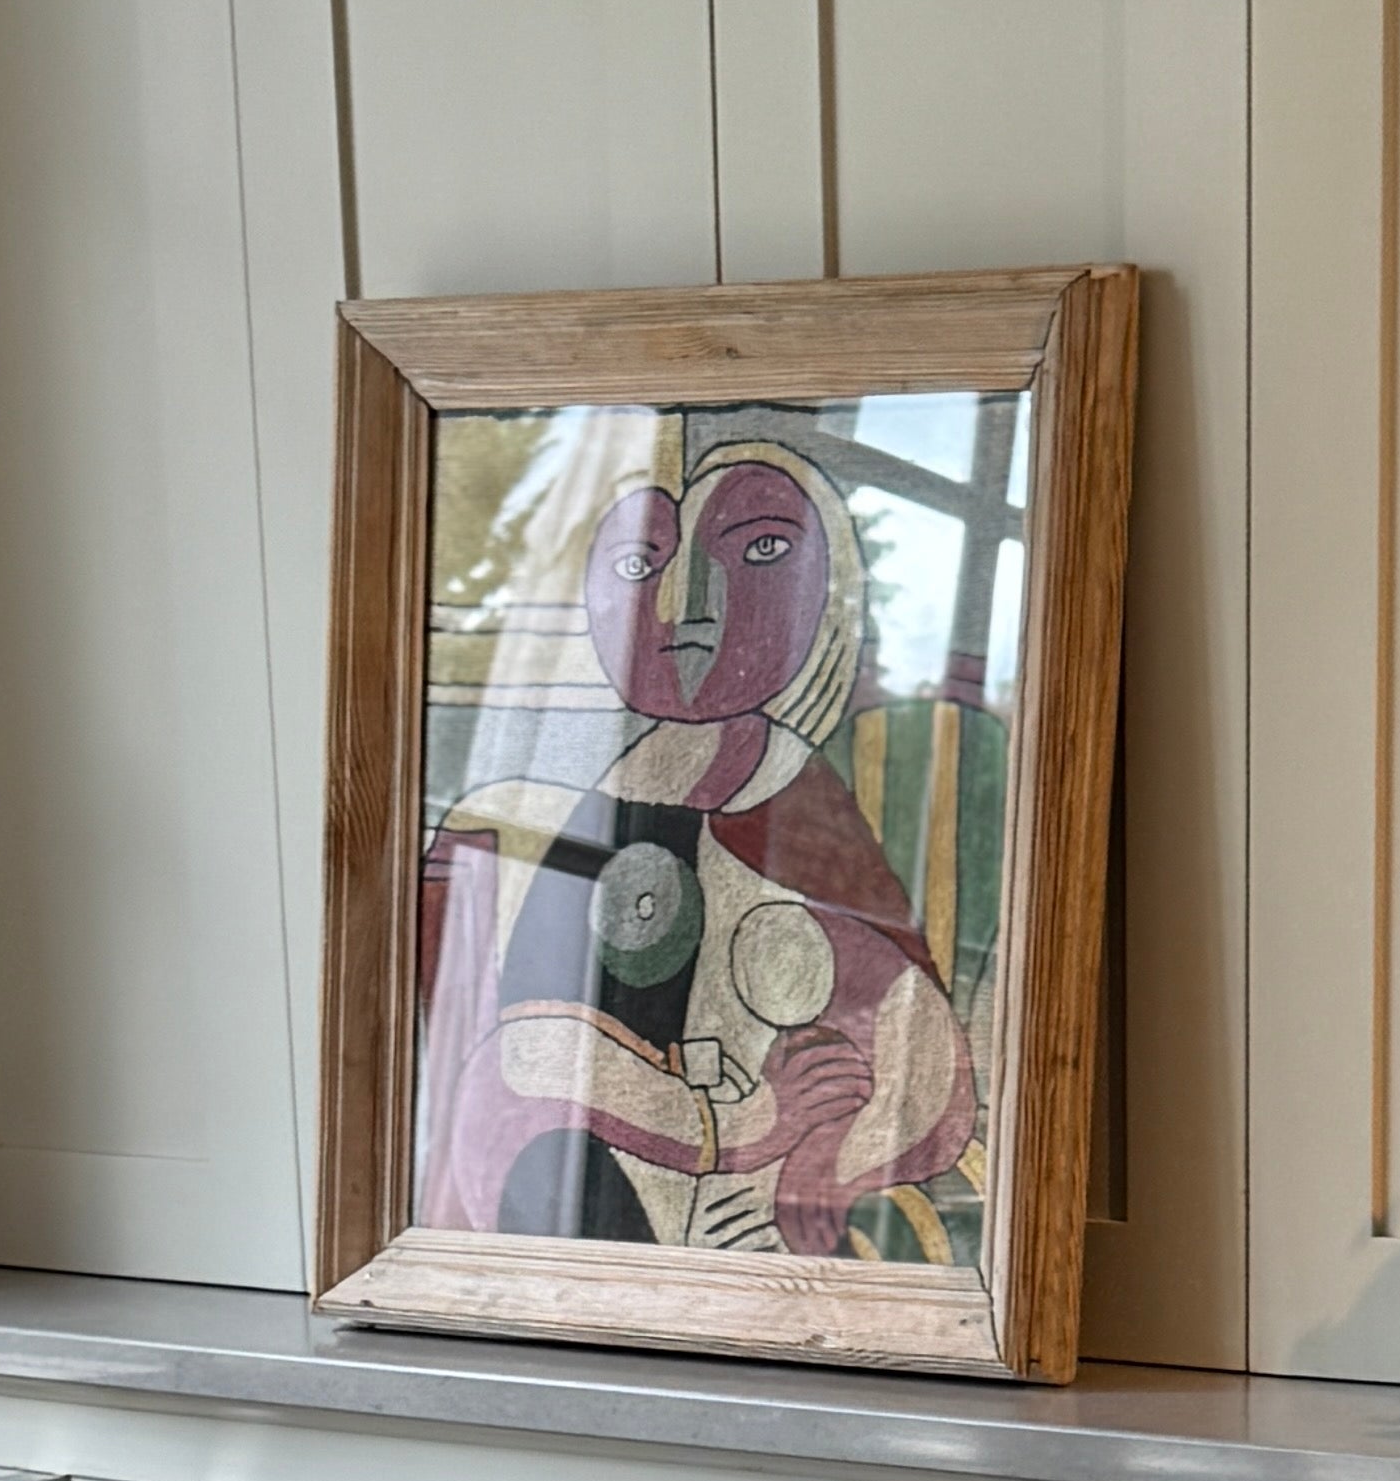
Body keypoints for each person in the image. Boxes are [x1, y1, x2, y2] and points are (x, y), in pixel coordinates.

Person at [413, 432, 984, 1256]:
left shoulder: (802, 816)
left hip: (736, 1248)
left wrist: (827, 1162)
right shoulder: (501, 822)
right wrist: (733, 1126)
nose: (688, 606)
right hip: (532, 1237)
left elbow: (919, 1064)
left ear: (829, 591)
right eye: (636, 566)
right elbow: (467, 1068)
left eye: (761, 551)